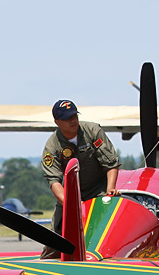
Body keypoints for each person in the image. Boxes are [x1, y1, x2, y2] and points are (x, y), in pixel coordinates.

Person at [39, 100, 121, 259]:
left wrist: (110, 189)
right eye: (67, 118)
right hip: (69, 196)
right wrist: (71, 204)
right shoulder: (52, 147)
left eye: (74, 115)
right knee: (56, 239)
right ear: (57, 122)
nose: (73, 120)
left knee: (105, 233)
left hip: (98, 191)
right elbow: (54, 181)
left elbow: (111, 163)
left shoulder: (92, 131)